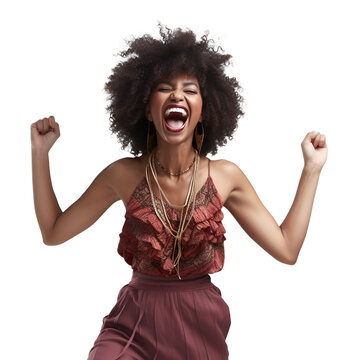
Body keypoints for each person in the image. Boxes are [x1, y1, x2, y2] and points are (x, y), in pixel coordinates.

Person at [30, 25, 328, 360]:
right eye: (164, 88)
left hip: (198, 327)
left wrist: (311, 170)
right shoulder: (123, 175)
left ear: (204, 109)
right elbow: (53, 232)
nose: (177, 96)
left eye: (190, 89)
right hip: (134, 323)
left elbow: (287, 249)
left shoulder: (226, 177)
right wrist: (40, 153)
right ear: (146, 108)